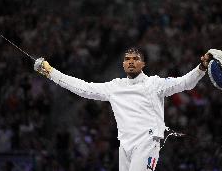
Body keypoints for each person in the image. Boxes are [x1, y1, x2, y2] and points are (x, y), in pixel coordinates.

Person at [34, 47, 211, 171]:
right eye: (127, 59)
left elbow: (185, 82)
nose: (131, 62)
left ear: (143, 64)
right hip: (125, 145)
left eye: (136, 59)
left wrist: (201, 67)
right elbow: (83, 88)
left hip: (147, 143)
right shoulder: (115, 87)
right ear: (123, 64)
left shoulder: (154, 84)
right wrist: (51, 73)